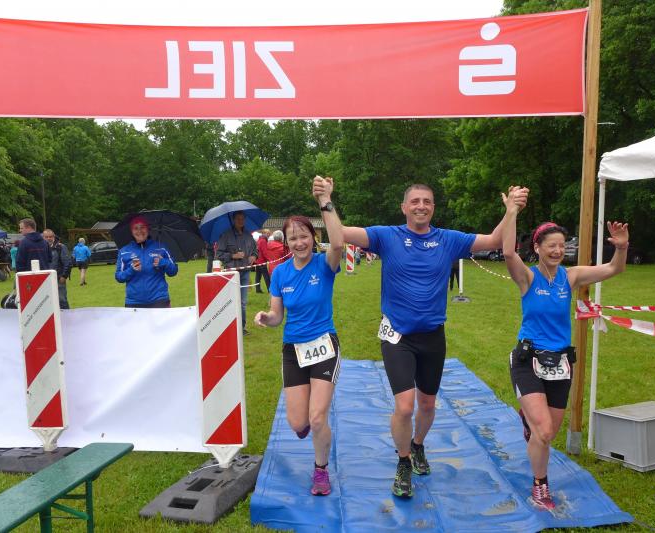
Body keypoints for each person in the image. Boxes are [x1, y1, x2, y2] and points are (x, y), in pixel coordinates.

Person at [341, 183, 521, 498]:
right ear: (404, 207)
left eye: (427, 201)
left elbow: (495, 241)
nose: (421, 206)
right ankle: (403, 462)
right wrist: (326, 202)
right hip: (397, 336)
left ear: (433, 207)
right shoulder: (387, 236)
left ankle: (418, 445)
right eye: (415, 201)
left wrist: (511, 211)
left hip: (432, 337)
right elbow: (340, 233)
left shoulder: (448, 239)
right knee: (404, 406)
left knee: (426, 403)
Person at [501, 185, 629, 510]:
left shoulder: (570, 277)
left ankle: (529, 419)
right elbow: (508, 254)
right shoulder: (527, 278)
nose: (558, 250)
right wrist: (512, 212)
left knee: (549, 432)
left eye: (562, 245)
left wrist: (622, 247)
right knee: (544, 432)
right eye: (552, 246)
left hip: (560, 363)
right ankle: (540, 485)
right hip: (528, 360)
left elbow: (614, 269)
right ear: (538, 248)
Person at [254, 176, 344, 497]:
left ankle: (320, 470)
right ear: (287, 242)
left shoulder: (324, 264)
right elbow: (277, 314)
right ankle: (311, 428)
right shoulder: (280, 273)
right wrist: (268, 318)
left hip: (323, 346)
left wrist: (325, 201)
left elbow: (338, 244)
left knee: (317, 419)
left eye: (304, 236)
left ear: (312, 238)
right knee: (298, 423)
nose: (299, 242)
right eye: (293, 238)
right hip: (293, 350)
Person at [114, 216, 178, 308]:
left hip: (159, 300)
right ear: (131, 231)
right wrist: (131, 270)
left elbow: (173, 271)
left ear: (148, 229)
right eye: (136, 228)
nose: (139, 231)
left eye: (142, 227)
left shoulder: (161, 248)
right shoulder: (124, 251)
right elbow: (118, 277)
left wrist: (163, 262)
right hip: (134, 301)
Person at [217, 212, 258, 334]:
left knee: (242, 302)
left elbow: (255, 250)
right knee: (230, 301)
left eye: (242, 219)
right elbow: (218, 254)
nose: (241, 221)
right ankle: (229, 326)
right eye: (238, 219)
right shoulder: (226, 235)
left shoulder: (248, 235)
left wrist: (254, 256)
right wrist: (232, 255)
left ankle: (241, 328)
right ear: (233, 220)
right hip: (231, 273)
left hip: (245, 272)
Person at [43, 229, 72, 309]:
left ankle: (67, 315)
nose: (48, 238)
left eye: (50, 237)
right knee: (46, 302)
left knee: (62, 300)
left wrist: (64, 276)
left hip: (58, 278)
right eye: (46, 237)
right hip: (44, 279)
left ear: (54, 237)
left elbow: (68, 262)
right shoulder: (40, 248)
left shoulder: (61, 247)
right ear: (43, 238)